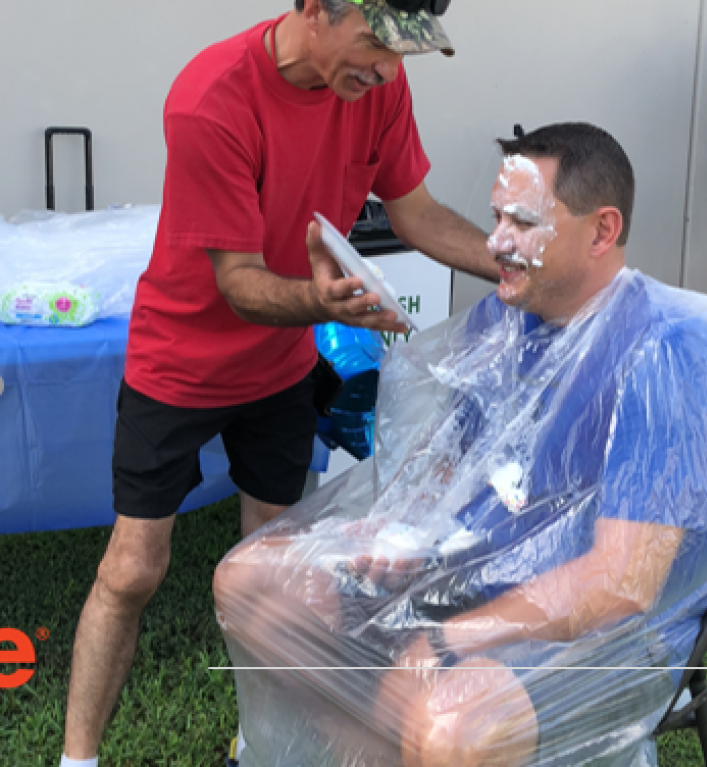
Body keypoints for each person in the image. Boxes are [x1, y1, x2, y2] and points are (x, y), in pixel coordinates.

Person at [213, 123, 707, 766]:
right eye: (498, 217)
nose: (496, 241)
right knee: (251, 582)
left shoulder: (668, 349)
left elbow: (623, 583)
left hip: (598, 633)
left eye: (523, 222)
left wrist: (451, 639)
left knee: (450, 726)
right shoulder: (510, 318)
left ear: (601, 231)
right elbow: (453, 459)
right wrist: (397, 533)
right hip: (468, 572)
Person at [60, 2, 499, 765]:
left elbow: (417, 213)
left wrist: (513, 265)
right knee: (131, 570)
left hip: (280, 371)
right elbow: (237, 283)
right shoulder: (211, 99)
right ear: (314, 9)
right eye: (375, 42)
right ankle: (77, 757)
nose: (387, 70)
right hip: (177, 363)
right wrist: (325, 303)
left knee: (275, 576)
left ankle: (259, 742)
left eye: (403, 53)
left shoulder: (377, 88)